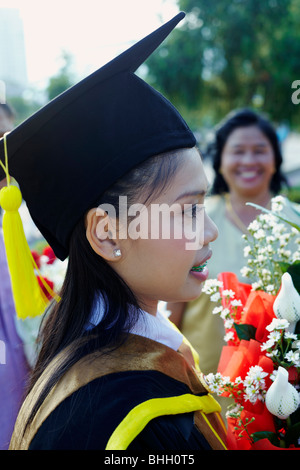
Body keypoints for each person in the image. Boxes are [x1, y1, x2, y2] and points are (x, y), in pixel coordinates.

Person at [1, 13, 227, 450]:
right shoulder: (115, 419)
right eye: (188, 210)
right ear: (106, 234)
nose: (210, 231)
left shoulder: (136, 359)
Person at [168, 108, 300, 379]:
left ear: (275, 157)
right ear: (220, 160)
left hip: (285, 394)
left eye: (260, 150)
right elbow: (171, 313)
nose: (249, 160)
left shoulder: (295, 220)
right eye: (238, 151)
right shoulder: (192, 220)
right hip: (204, 391)